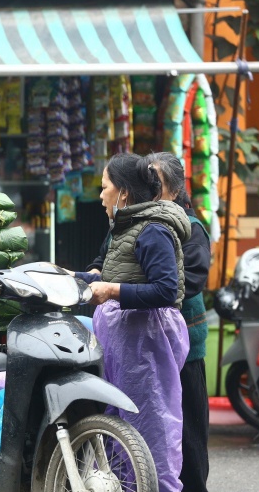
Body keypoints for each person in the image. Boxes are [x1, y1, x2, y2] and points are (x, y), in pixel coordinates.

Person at [86, 152, 211, 492]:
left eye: (156, 182)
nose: (151, 188)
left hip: (160, 346)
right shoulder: (125, 225)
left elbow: (171, 288)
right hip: (131, 347)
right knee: (130, 427)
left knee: (173, 435)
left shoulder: (164, 229)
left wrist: (114, 291)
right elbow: (105, 265)